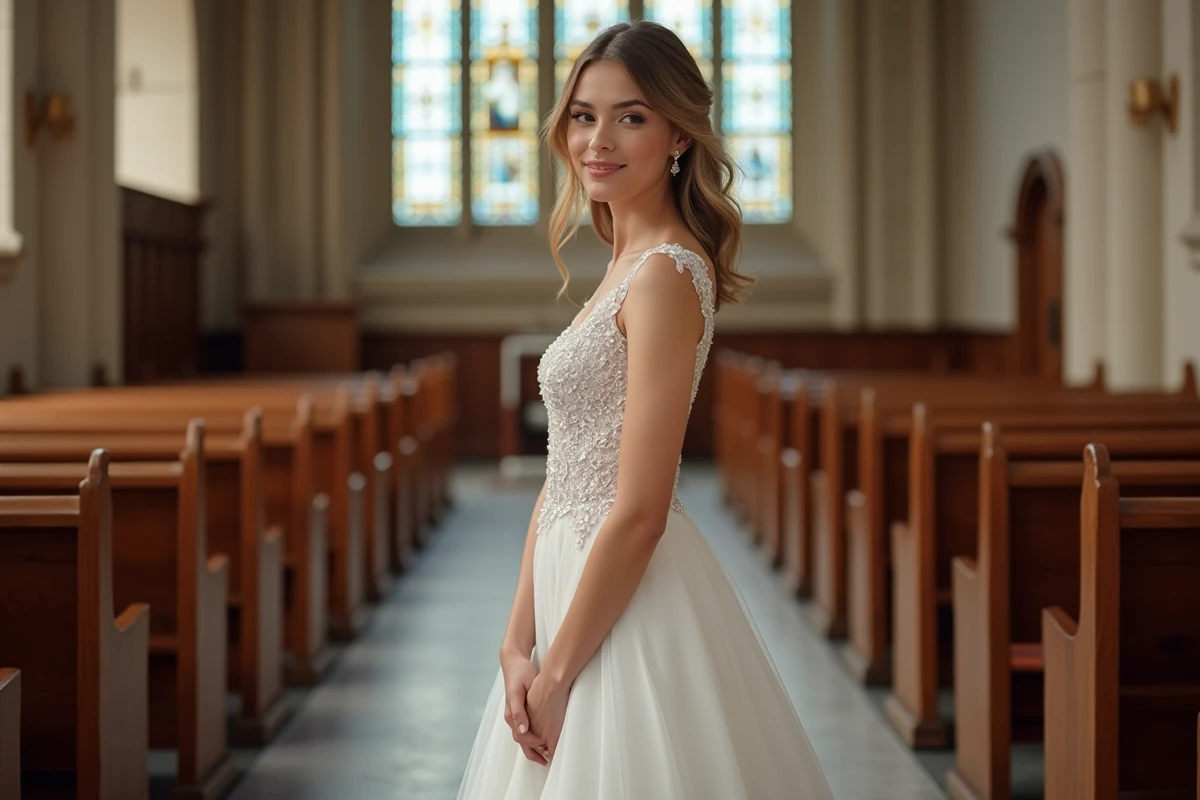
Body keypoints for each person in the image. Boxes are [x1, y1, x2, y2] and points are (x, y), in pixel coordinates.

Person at [457, 21, 835, 800]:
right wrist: (515, 641)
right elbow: (562, 476)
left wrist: (558, 671)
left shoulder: (666, 273)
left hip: (622, 594)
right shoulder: (620, 266)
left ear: (677, 138)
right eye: (584, 115)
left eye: (630, 116)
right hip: (565, 580)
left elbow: (641, 510)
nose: (598, 139)